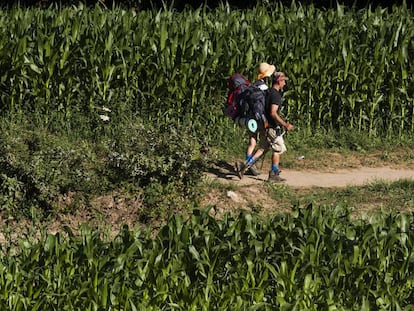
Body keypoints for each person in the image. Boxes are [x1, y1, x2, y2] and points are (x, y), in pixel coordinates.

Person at [238, 71, 294, 182]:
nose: (285, 84)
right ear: (279, 81)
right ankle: (274, 173)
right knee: (279, 149)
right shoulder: (276, 95)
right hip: (272, 127)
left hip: (265, 125)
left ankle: (245, 166)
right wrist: (285, 124)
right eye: (283, 81)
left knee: (264, 147)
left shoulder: (267, 92)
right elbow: (273, 112)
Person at [240, 62, 275, 176]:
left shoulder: (252, 86)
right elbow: (265, 107)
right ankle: (248, 164)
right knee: (265, 145)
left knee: (252, 141)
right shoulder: (264, 88)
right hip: (261, 119)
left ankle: (248, 164)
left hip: (250, 119)